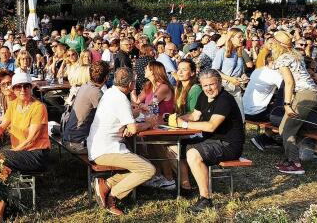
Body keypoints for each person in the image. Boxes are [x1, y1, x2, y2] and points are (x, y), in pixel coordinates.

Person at [168, 69, 244, 212]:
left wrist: (183, 124)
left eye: (212, 85)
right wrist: (179, 118)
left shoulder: (225, 99)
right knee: (174, 147)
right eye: (205, 85)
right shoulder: (203, 95)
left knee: (193, 154)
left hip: (229, 144)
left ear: (220, 83)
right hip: (209, 140)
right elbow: (195, 115)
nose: (208, 89)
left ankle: (206, 199)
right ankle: (186, 188)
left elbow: (211, 126)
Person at [87, 67, 157, 216]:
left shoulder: (112, 93)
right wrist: (150, 123)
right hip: (106, 150)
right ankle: (113, 196)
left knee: (140, 164)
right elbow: (132, 129)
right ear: (131, 84)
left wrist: (137, 111)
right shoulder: (120, 99)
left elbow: (123, 117)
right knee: (148, 169)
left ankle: (105, 185)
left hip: (98, 146)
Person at [0, 72, 50, 220]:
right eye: (18, 87)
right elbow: (2, 126)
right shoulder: (13, 105)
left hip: (37, 154)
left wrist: (12, 152)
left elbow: (31, 140)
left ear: (31, 88)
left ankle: (0, 213)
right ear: (13, 89)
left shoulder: (38, 107)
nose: (23, 90)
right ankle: (1, 209)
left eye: (26, 86)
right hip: (20, 153)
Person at [271, 31, 317, 175]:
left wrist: (287, 104)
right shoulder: (294, 55)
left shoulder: (283, 59)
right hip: (308, 93)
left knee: (288, 129)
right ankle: (290, 159)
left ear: (277, 44)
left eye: (272, 41)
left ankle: (295, 164)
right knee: (283, 128)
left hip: (305, 94)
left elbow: (289, 82)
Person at [61, 61, 110, 154]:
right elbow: (111, 116)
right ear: (106, 77)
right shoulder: (96, 92)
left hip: (69, 137)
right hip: (77, 143)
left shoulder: (85, 86)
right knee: (115, 145)